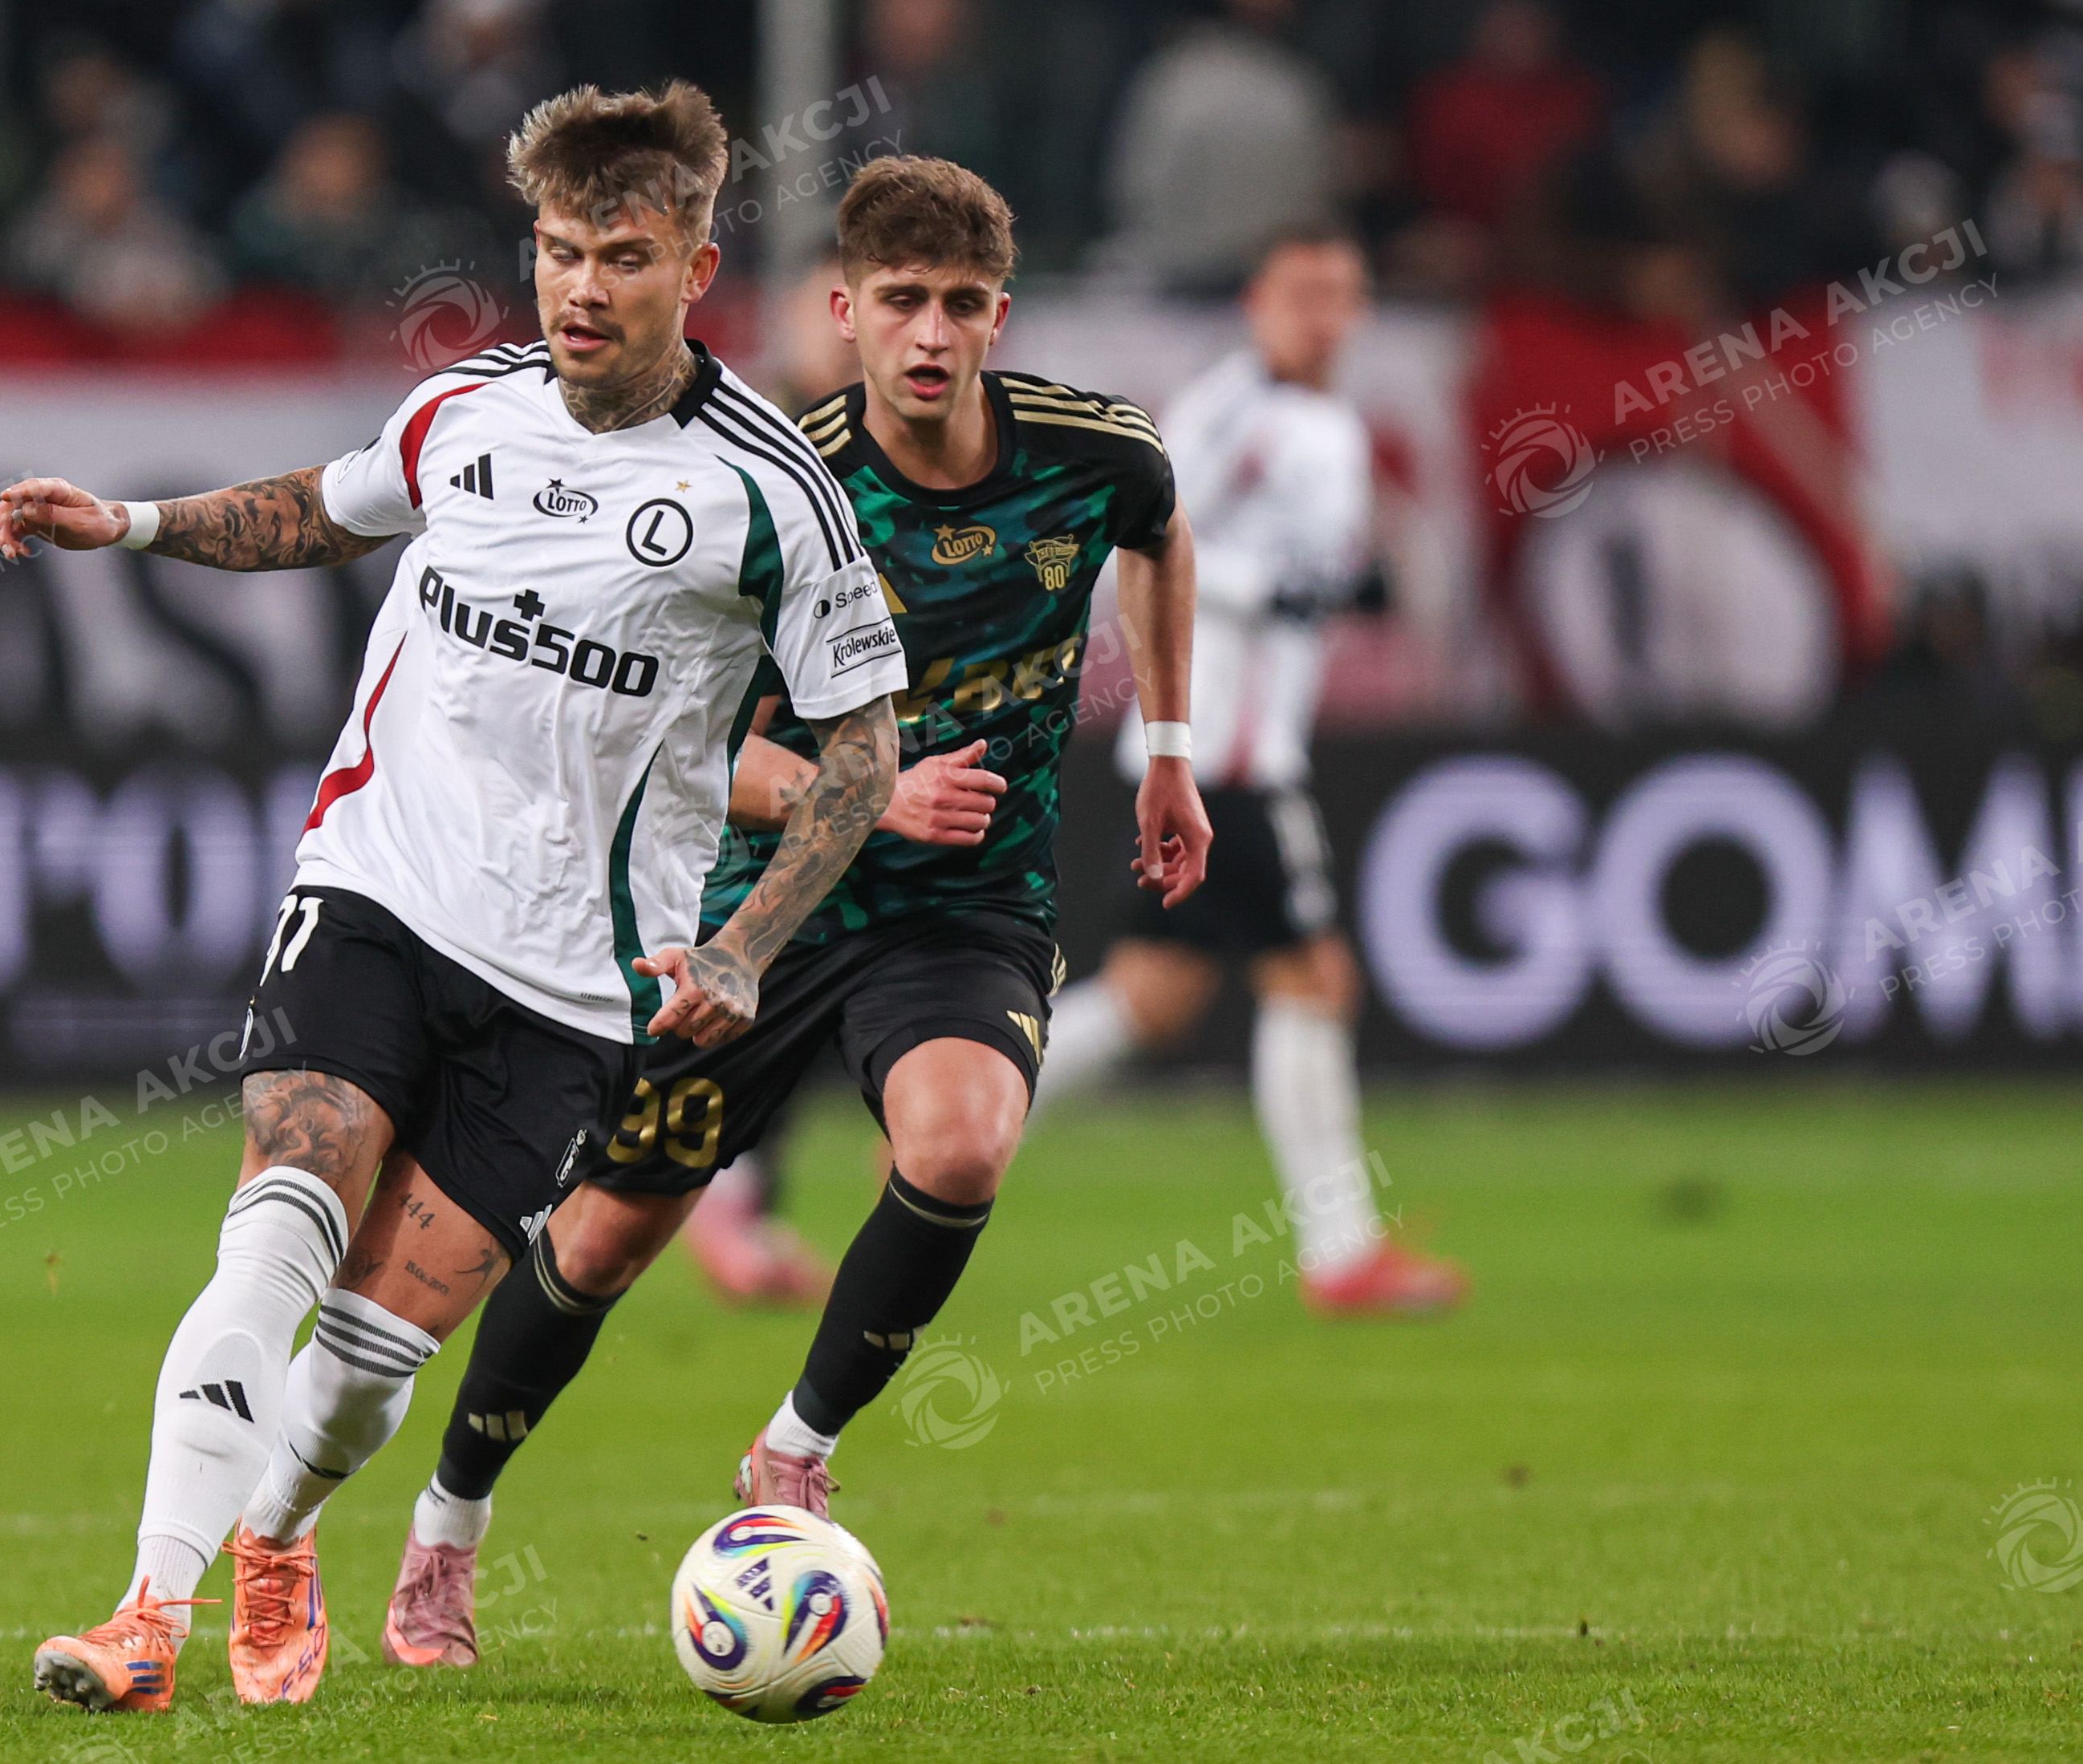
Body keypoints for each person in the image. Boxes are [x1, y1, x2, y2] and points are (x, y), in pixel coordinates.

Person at [0, 81, 908, 1713]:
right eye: (557, 251)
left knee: (368, 1361)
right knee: (281, 1218)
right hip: (377, 892)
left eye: (622, 257)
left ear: (696, 269)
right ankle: (146, 1613)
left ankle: (280, 1529)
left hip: (573, 987)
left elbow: (861, 746)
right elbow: (317, 513)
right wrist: (126, 523)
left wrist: (749, 947)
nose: (580, 288)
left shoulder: (773, 492)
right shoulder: (468, 408)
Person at [372, 155, 1211, 1668]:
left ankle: (796, 1448)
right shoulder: (769, 489)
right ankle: (448, 1526)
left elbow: (1158, 535)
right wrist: (865, 793)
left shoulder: (1099, 455)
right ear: (845, 310)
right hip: (760, 914)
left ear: (1000, 316)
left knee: (961, 1146)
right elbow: (696, 746)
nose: (931, 334)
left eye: (962, 304)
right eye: (902, 300)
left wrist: (1167, 750)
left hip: (968, 912)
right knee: (604, 1241)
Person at [1033, 225, 1469, 1319]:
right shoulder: (1229, 413)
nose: (1318, 317)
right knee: (1313, 979)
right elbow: (1140, 533)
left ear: (1360, 312)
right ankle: (1342, 1254)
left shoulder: (1327, 425)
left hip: (1229, 744)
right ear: (1257, 303)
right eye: (1298, 293)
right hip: (1220, 753)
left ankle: (955, 1118)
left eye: (1338, 294)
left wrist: (1332, 587)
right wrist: (1275, 592)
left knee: (1156, 998)